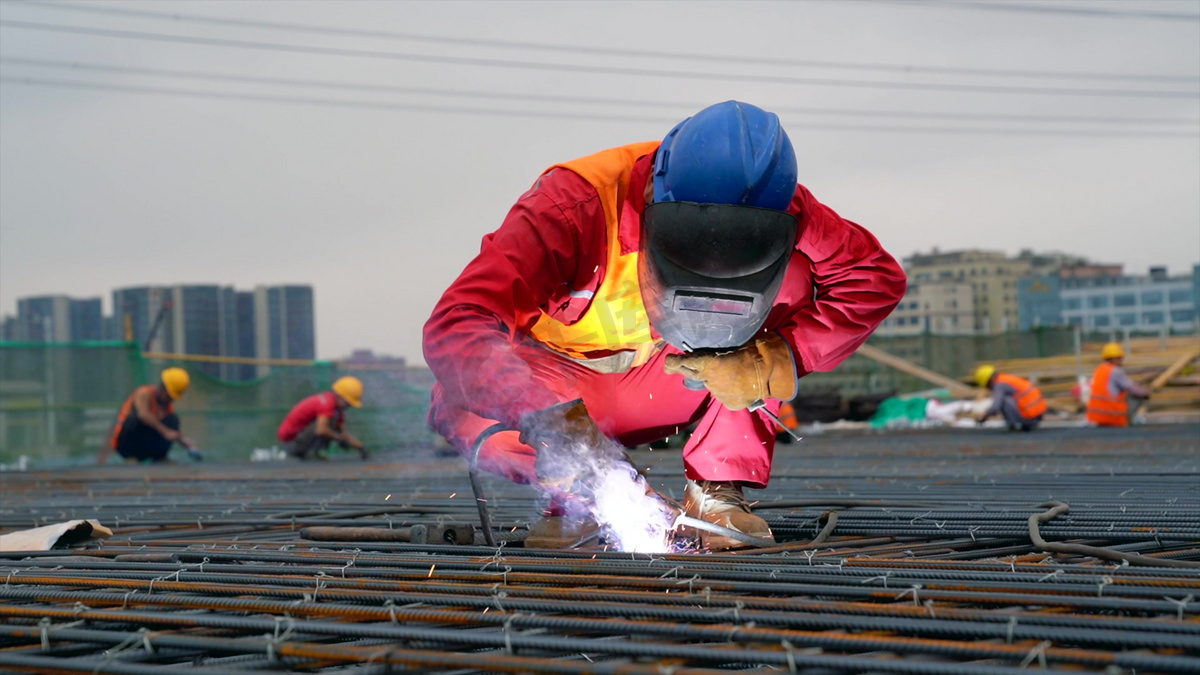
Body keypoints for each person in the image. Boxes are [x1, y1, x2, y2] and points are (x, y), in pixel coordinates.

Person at [423, 101, 905, 550]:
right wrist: (546, 416)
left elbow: (873, 278)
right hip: (561, 390)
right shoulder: (574, 205)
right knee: (459, 406)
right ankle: (585, 492)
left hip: (678, 376)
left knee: (793, 277)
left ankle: (717, 489)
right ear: (655, 190)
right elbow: (459, 322)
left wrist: (774, 358)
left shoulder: (783, 206)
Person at [100, 367, 196, 464]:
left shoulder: (166, 405)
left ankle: (160, 457)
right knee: (134, 419)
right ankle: (131, 458)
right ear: (163, 388)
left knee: (173, 419)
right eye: (169, 396)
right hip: (128, 444)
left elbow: (173, 432)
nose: (171, 400)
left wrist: (189, 445)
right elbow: (143, 415)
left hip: (148, 445)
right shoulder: (144, 393)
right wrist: (166, 431)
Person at [278, 376, 368, 460]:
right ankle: (312, 452)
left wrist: (361, 447)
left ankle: (314, 452)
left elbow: (344, 434)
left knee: (333, 422)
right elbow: (321, 430)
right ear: (340, 396)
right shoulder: (326, 405)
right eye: (348, 403)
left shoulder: (336, 409)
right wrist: (337, 437)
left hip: (300, 440)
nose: (348, 407)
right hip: (292, 443)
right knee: (328, 423)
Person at [1087, 342, 1151, 427]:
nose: (1121, 360)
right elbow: (1132, 388)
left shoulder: (1099, 369)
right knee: (1138, 396)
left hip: (1097, 417)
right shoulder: (1115, 371)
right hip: (1113, 417)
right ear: (1114, 359)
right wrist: (1147, 392)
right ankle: (1127, 420)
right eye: (1120, 358)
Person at [974, 365, 1047, 431]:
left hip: (1029, 417)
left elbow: (996, 406)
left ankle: (1015, 424)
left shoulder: (999, 385)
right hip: (1038, 415)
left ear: (988, 381)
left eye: (987, 386)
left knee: (1005, 400)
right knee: (1008, 398)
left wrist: (985, 415)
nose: (989, 389)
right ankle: (1020, 423)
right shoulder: (1005, 378)